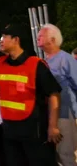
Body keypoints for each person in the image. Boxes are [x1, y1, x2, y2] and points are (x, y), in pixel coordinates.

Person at [0, 24, 61, 166]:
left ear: (16, 40)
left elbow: (54, 94)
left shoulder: (35, 65)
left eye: (4, 37)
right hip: (10, 130)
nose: (1, 40)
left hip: (33, 130)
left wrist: (53, 126)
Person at [37, 24, 77, 165]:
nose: (38, 37)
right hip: (49, 118)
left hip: (64, 115)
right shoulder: (44, 62)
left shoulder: (66, 59)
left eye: (41, 35)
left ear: (53, 40)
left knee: (65, 155)